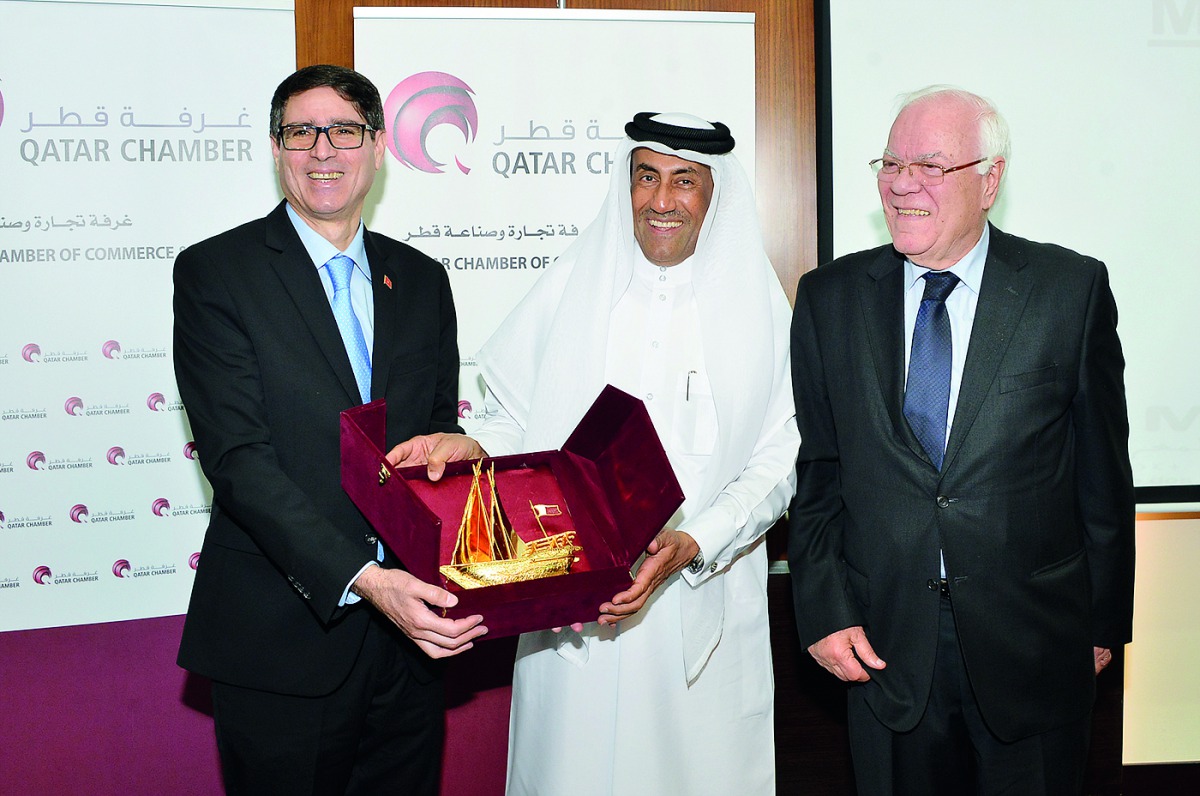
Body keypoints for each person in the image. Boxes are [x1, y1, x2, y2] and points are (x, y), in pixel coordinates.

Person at [393, 112, 797, 794]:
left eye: (685, 181)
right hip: (571, 606)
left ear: (715, 195)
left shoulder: (760, 310)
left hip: (700, 602)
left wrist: (697, 542)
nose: (661, 199)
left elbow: (780, 462)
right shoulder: (572, 286)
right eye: (647, 177)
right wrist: (473, 447)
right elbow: (513, 421)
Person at [788, 85, 1135, 795]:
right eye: (891, 163)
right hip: (882, 647)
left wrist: (1102, 623)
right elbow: (819, 474)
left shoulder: (1069, 290)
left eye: (930, 166)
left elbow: (1103, 476)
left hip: (1035, 645)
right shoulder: (829, 298)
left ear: (990, 180)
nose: (902, 184)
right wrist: (823, 611)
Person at [172, 64, 487, 795]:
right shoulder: (218, 272)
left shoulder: (422, 278)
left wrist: (461, 449)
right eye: (300, 132)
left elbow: (436, 427)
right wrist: (366, 581)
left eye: (344, 130)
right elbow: (238, 460)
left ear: (377, 146)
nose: (322, 150)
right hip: (282, 638)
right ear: (276, 148)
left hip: (412, 641)